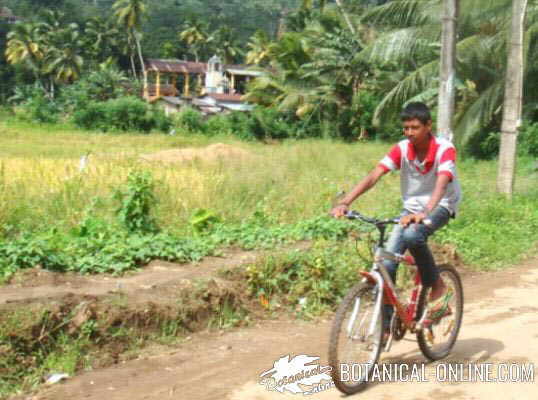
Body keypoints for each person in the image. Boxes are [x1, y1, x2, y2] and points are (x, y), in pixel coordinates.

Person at [330, 102, 461, 338]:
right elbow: (374, 175)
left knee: (413, 235)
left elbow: (442, 181)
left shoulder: (444, 149)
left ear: (428, 126)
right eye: (406, 128)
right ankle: (387, 327)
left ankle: (438, 287)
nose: (409, 132)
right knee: (386, 264)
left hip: (441, 205)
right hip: (409, 211)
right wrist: (345, 202)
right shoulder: (402, 148)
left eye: (415, 127)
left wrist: (426, 212)